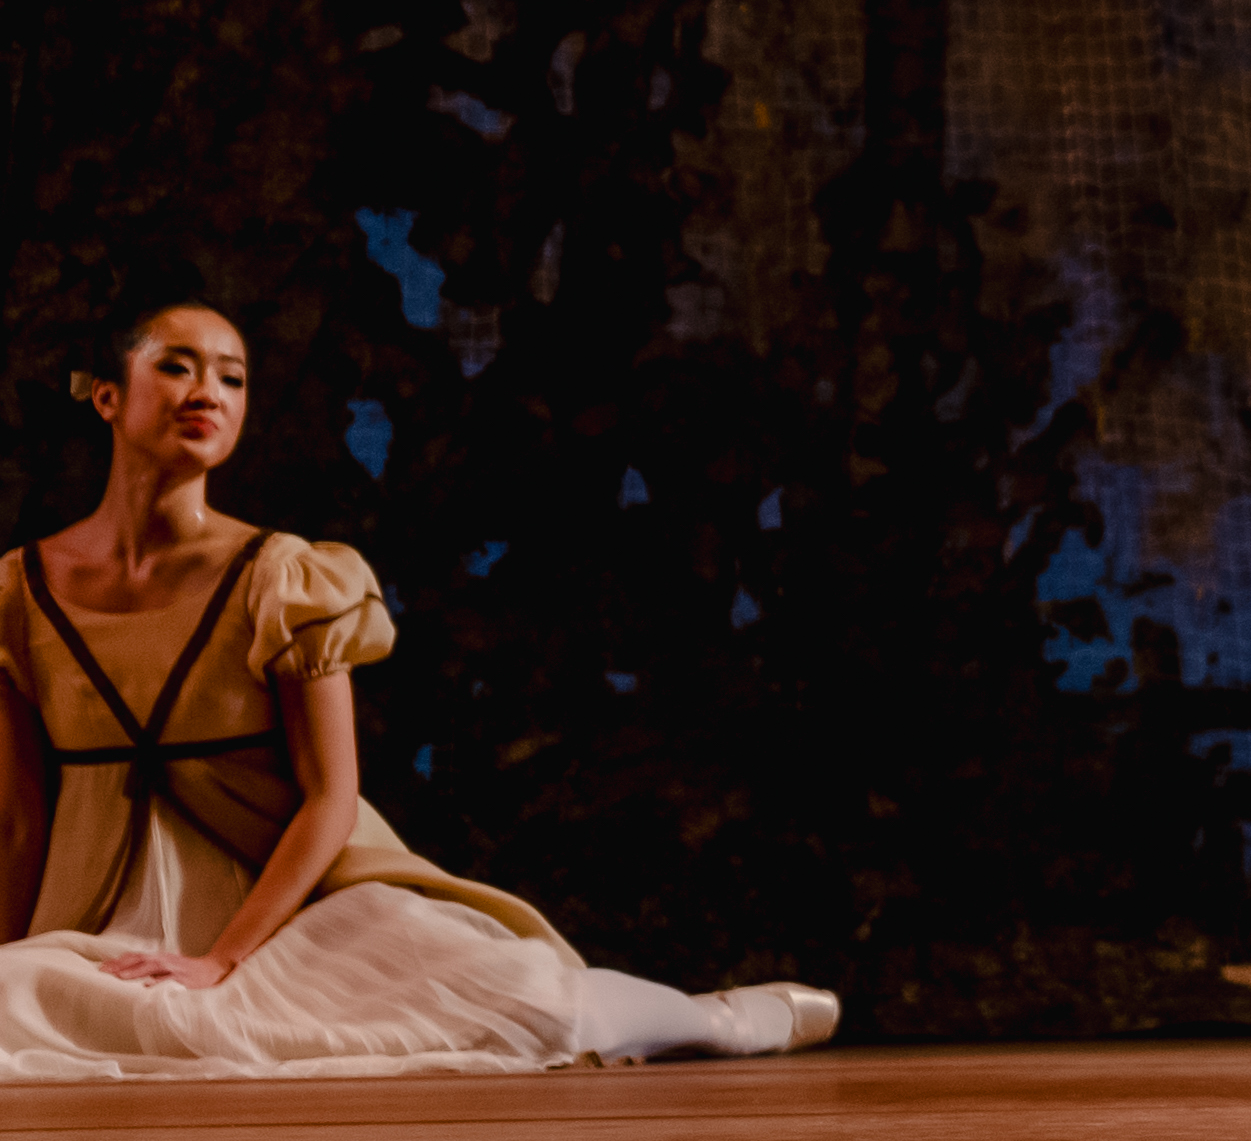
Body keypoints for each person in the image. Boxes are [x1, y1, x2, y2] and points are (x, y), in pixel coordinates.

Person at [0, 299, 836, 1080]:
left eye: (232, 375)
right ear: (107, 396)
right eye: (177, 366)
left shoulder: (284, 577)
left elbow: (333, 795)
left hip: (281, 907)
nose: (208, 392)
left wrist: (220, 957)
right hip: (95, 922)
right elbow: (20, 817)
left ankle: (721, 1019)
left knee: (524, 999)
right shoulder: (17, 590)